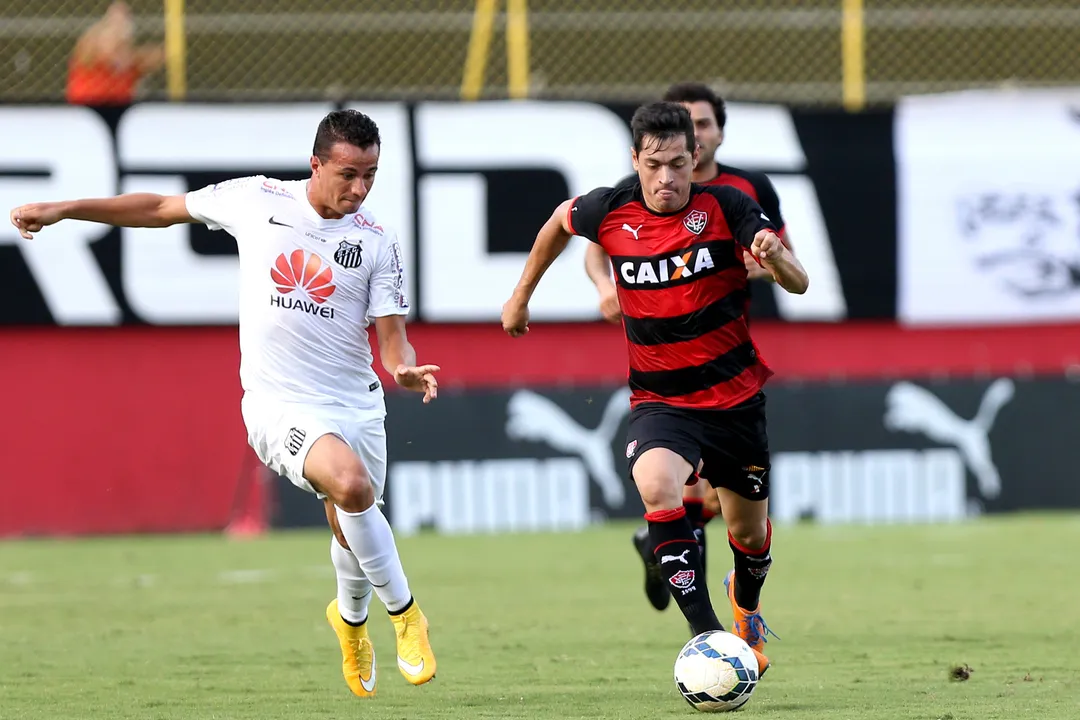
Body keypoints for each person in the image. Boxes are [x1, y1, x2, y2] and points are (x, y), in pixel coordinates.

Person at [10, 109, 437, 698]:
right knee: (351, 485)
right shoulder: (255, 199)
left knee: (349, 524)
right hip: (277, 404)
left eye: (371, 175)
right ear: (316, 165)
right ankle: (406, 616)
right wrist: (63, 210)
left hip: (356, 405)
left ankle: (351, 620)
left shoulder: (377, 241)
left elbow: (392, 339)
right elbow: (158, 210)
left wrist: (403, 369)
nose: (360, 189)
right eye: (348, 174)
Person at [501, 102, 809, 676]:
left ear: (696, 158)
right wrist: (521, 295)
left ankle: (745, 606)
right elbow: (557, 224)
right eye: (653, 165)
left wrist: (777, 259)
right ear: (635, 161)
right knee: (656, 487)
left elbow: (799, 281)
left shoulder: (729, 204)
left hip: (735, 401)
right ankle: (709, 636)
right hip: (659, 402)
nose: (666, 178)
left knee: (750, 535)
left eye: (676, 164)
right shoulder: (611, 207)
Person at [585, 83, 795, 629]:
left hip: (730, 367)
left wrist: (767, 257)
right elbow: (589, 241)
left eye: (703, 127)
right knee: (666, 482)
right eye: (689, 126)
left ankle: (690, 568)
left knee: (743, 526)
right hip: (665, 382)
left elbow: (787, 263)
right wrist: (603, 288)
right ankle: (705, 631)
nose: (695, 137)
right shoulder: (629, 198)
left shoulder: (741, 193)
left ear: (711, 139)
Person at [66, 1, 165, 106]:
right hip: (88, 110)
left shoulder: (131, 65)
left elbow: (156, 56)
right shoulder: (89, 55)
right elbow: (98, 47)